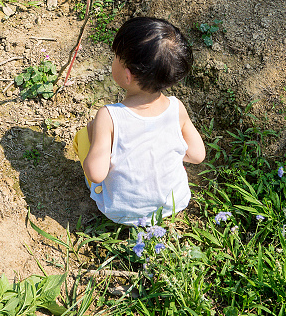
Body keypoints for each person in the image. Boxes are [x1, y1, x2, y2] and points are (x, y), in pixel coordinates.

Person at [73, 17, 205, 225]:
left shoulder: (109, 116)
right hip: (173, 202)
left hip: (121, 212)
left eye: (116, 57)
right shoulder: (176, 108)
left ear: (127, 75)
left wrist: (92, 135)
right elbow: (197, 155)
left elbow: (97, 174)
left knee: (83, 136)